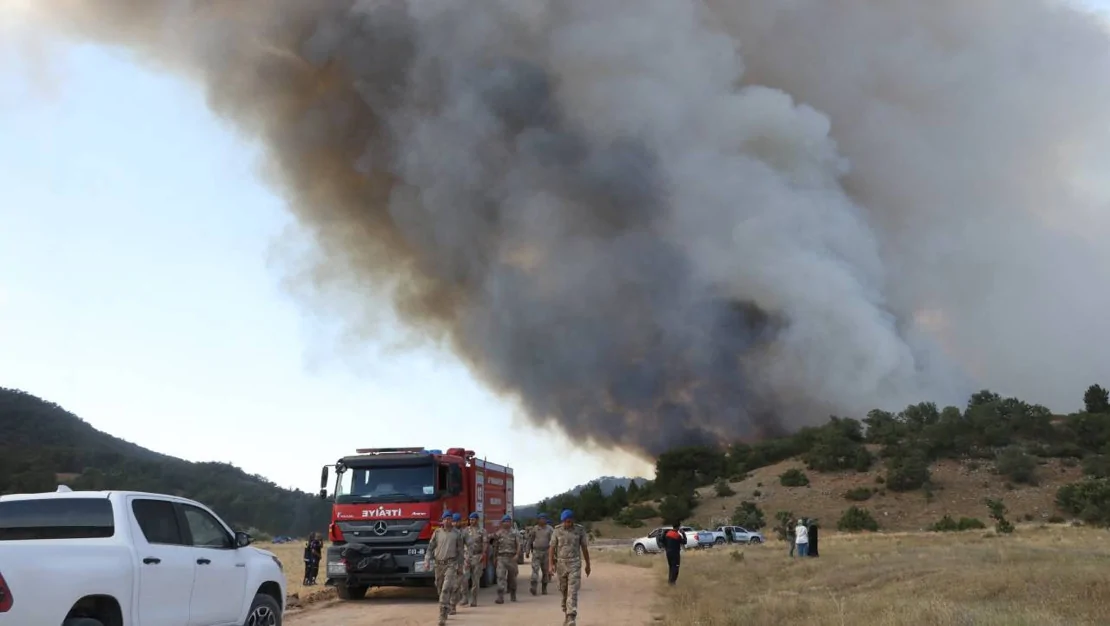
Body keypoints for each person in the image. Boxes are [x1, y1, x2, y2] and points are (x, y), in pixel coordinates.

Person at [548, 509, 591, 626]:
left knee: (572, 590)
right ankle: (566, 614)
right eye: (566, 521)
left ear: (573, 520)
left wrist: (588, 564)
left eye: (570, 521)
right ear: (563, 521)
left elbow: (584, 548)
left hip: (575, 563)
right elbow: (552, 548)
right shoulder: (557, 531)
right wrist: (550, 564)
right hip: (561, 564)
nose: (568, 523)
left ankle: (571, 616)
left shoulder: (579, 530)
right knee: (564, 591)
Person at [423, 511, 464, 626]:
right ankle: (445, 606)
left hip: (451, 564)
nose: (448, 521)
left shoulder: (457, 534)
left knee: (446, 589)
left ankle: (442, 616)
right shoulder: (437, 533)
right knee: (440, 588)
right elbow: (430, 548)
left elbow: (460, 551)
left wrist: (460, 566)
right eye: (445, 519)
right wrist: (427, 560)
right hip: (438, 565)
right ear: (442, 520)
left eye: (450, 519)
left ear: (452, 520)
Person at [459, 512, 488, 607]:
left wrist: (483, 554)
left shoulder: (482, 531)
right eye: (470, 519)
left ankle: (474, 599)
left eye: (473, 519)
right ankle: (464, 598)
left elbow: (485, 543)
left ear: (477, 520)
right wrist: (462, 556)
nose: (472, 521)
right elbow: (461, 544)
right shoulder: (465, 531)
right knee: (464, 578)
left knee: (475, 580)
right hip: (467, 557)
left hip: (477, 557)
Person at [492, 514, 521, 604]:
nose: (507, 523)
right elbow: (495, 546)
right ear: (502, 523)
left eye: (508, 521)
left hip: (511, 558)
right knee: (500, 577)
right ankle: (500, 597)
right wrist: (494, 557)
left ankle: (513, 594)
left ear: (510, 522)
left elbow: (519, 544)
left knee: (512, 578)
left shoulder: (515, 533)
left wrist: (517, 555)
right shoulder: (498, 533)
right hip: (501, 558)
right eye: (505, 521)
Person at [530, 513, 554, 595]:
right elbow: (530, 540)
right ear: (538, 520)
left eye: (544, 518)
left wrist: (554, 553)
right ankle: (533, 587)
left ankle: (544, 588)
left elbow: (554, 541)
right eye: (541, 519)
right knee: (535, 570)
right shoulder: (535, 529)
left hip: (546, 552)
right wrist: (527, 550)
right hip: (536, 552)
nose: (542, 520)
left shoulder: (550, 529)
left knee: (545, 572)